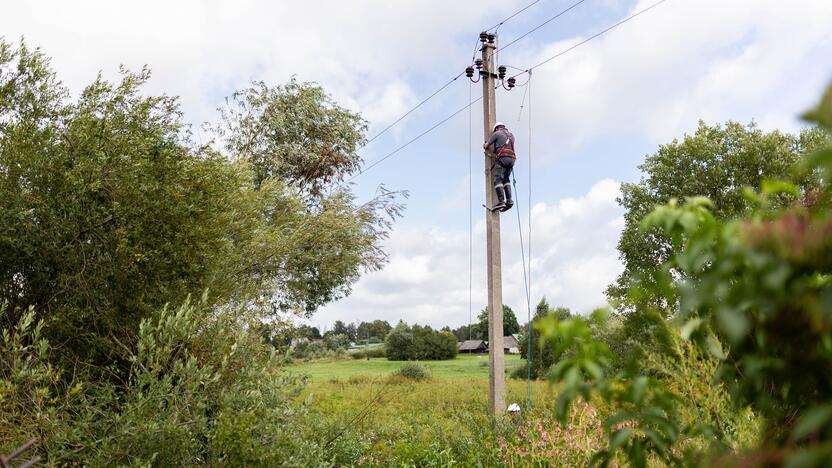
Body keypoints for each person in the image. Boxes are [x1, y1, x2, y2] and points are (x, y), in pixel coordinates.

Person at [483, 121, 516, 211]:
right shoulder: (511, 135)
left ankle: (501, 201)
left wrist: (485, 145)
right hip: (512, 160)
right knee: (506, 179)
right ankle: (509, 201)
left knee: (497, 179)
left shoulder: (497, 133)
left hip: (503, 159)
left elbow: (487, 146)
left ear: (497, 128)